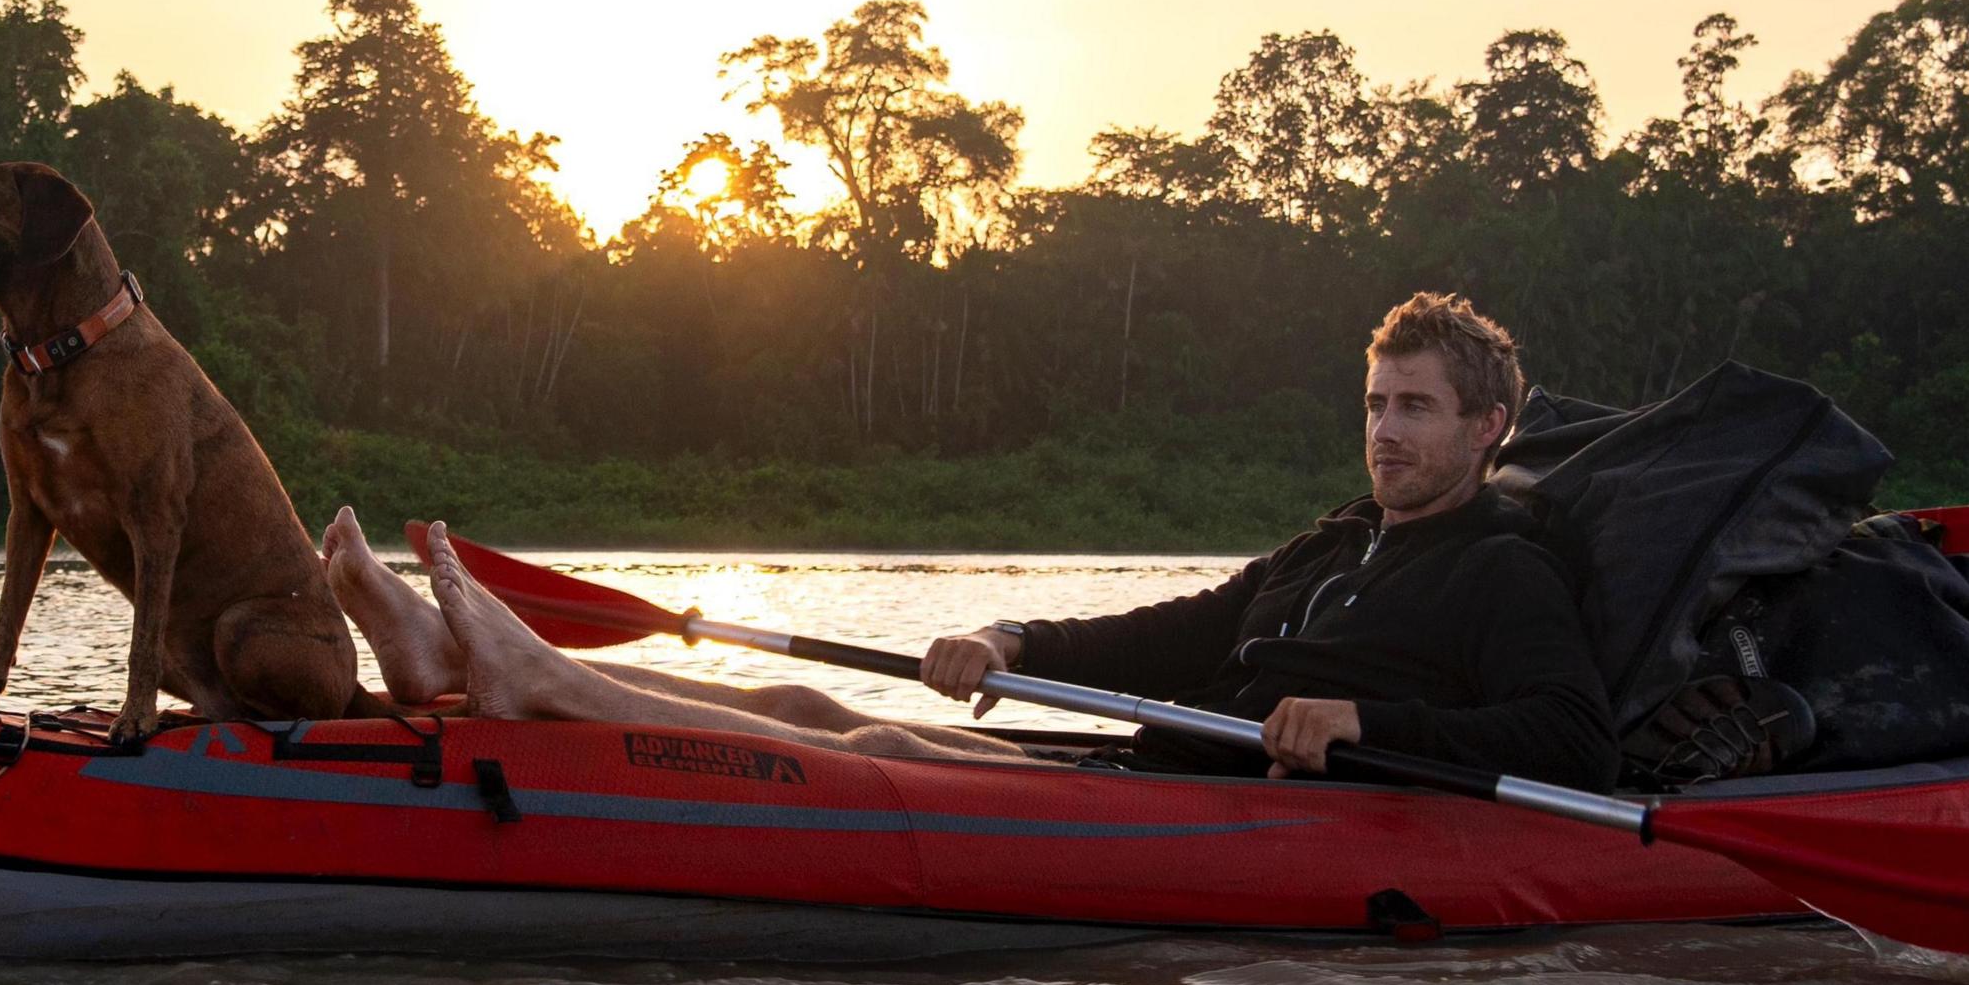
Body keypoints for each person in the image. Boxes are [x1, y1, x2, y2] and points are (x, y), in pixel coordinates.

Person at [318, 291, 1617, 789]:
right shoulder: (1339, 541)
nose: (1386, 433)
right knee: (785, 694)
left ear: (1489, 427)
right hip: (1164, 771)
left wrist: (1362, 728)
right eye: (1376, 404)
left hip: (1255, 813)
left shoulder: (1504, 568)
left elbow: (1569, 740)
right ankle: (461, 665)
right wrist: (1013, 636)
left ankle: (536, 682)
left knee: (874, 749)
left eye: (1417, 410)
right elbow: (1180, 633)